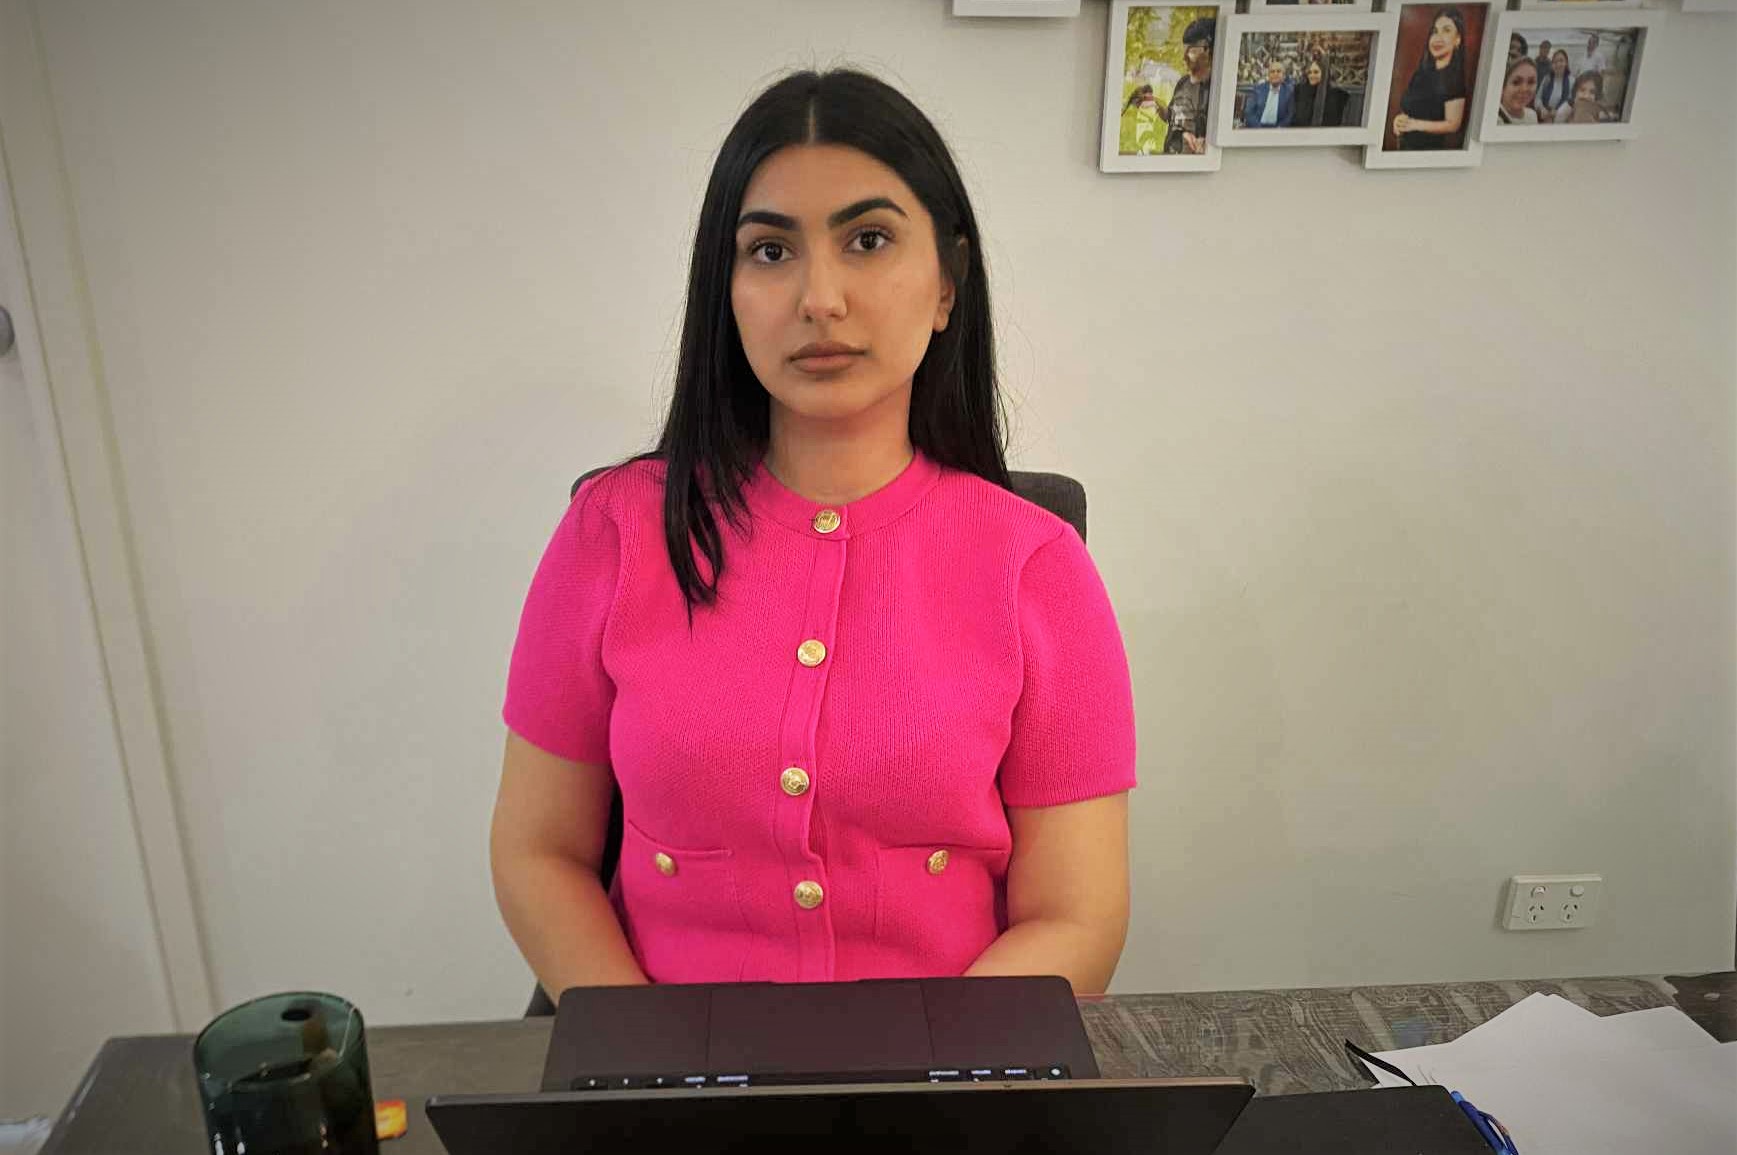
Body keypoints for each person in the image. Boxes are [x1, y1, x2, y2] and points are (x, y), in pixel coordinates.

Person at [491, 69, 1137, 1000]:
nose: (819, 298)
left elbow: (1076, 916)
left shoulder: (1039, 568)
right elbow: (535, 850)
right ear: (728, 289)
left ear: (948, 281)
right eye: (768, 252)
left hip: (945, 1087)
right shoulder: (615, 530)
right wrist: (645, 1062)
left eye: (867, 240)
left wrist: (922, 1085)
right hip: (665, 1080)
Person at [1394, 7, 1468, 150]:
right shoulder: (1421, 74)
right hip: (1402, 151)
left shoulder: (1454, 81)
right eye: (1435, 31)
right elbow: (1408, 109)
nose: (1438, 38)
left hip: (1428, 155)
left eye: (1446, 30)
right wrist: (1398, 121)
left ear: (1458, 39)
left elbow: (1453, 124)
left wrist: (1415, 125)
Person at [1161, 17, 1215, 154]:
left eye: (1191, 51)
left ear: (1209, 51)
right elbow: (1172, 121)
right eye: (1184, 50)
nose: (1184, 57)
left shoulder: (1219, 90)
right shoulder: (1183, 84)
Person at [1293, 57, 1349, 128]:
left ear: (1324, 74)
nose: (1312, 75)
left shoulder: (1335, 95)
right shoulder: (1301, 91)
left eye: (1316, 72)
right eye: (1309, 72)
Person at [1243, 60, 1295, 128]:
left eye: (1278, 71)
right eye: (1272, 72)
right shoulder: (1258, 89)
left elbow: (1290, 115)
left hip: (1277, 130)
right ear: (1268, 75)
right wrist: (1259, 129)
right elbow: (1249, 112)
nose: (1275, 74)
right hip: (1258, 127)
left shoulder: (1289, 91)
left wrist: (1279, 128)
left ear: (1283, 75)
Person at [1123, 83, 1165, 154]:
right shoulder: (1140, 98)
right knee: (1143, 146)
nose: (1150, 96)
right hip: (1142, 125)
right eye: (1149, 94)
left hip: (1147, 126)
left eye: (1151, 94)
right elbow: (1141, 106)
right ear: (1145, 93)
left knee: (1146, 146)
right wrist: (1153, 104)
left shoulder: (1148, 100)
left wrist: (1156, 109)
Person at [1496, 56, 1539, 124]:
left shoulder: (1532, 115)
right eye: (1516, 82)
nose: (1524, 89)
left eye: (1531, 82)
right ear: (1502, 87)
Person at [1535, 49, 1575, 121]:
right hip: (1544, 118)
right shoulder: (1547, 79)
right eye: (1555, 62)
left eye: (1561, 60)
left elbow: (1572, 103)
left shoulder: (1572, 81)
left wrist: (1558, 112)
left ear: (1566, 63)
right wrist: (1541, 109)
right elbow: (1537, 98)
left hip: (1562, 120)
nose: (1558, 64)